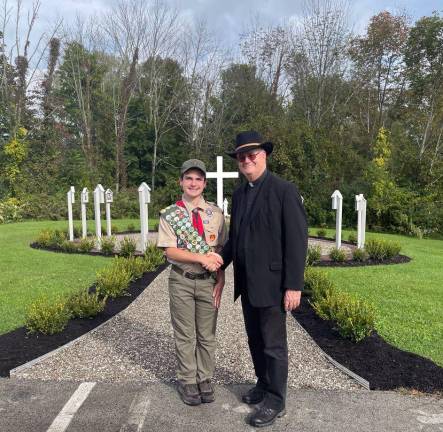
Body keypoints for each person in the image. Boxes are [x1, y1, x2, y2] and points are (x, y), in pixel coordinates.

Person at [220, 130, 308, 427]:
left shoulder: (284, 190)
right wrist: (218, 261)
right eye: (241, 157)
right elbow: (236, 237)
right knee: (254, 339)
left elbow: (297, 241)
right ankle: (263, 382)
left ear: (264, 155)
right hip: (247, 283)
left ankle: (276, 399)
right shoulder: (240, 194)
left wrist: (294, 285)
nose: (246, 160)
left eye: (251, 155)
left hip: (272, 284)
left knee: (273, 343)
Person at [157, 159, 225, 406]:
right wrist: (200, 257)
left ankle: (205, 378)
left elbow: (220, 250)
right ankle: (187, 380)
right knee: (185, 334)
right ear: (181, 182)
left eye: (198, 179)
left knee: (207, 335)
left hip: (208, 282)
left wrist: (222, 279)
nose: (193, 183)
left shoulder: (216, 214)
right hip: (182, 281)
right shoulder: (171, 214)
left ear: (204, 183)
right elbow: (170, 252)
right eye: (189, 178)